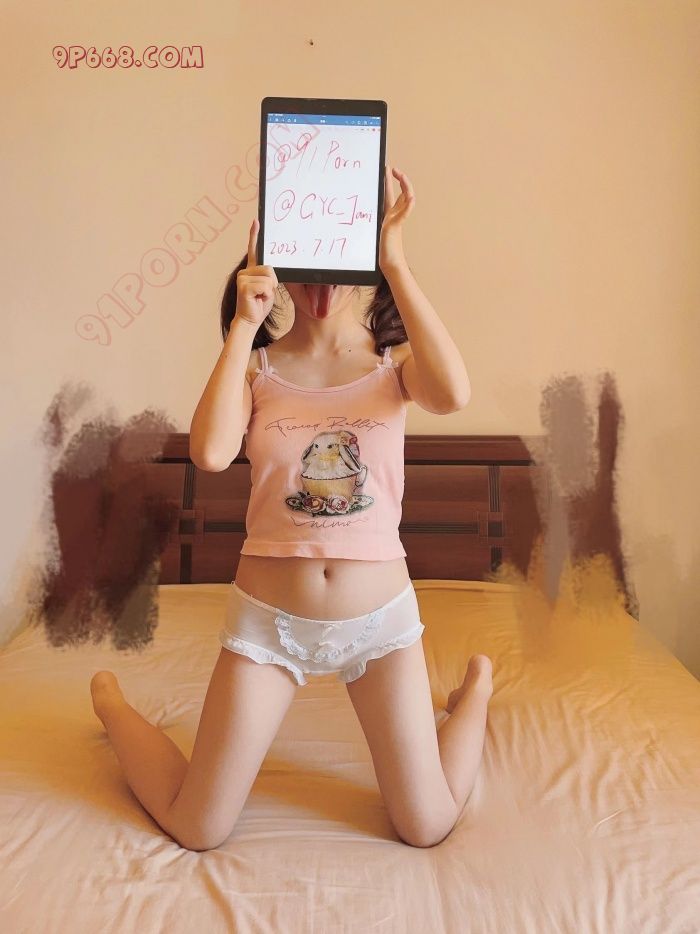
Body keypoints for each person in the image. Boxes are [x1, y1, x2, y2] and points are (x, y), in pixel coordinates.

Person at [90, 165, 493, 852]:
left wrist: (395, 263)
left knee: (426, 825)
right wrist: (243, 328)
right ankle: (109, 703)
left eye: (339, 264)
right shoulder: (261, 369)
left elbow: (453, 394)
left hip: (381, 625)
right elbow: (210, 453)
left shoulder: (393, 366)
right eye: (306, 266)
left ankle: (476, 687)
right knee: (198, 826)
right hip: (268, 625)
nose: (322, 289)